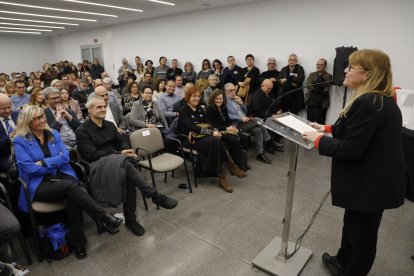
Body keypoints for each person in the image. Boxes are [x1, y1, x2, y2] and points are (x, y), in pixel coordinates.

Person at [302, 49, 407, 276]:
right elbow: (358, 131)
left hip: (370, 184)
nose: (346, 71)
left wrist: (319, 140)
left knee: (363, 236)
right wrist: (328, 128)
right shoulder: (379, 99)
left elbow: (351, 148)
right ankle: (342, 261)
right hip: (370, 180)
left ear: (368, 74)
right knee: (352, 224)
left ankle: (353, 271)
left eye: (351, 67)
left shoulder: (367, 102)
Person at [12, 105, 123, 260]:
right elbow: (29, 169)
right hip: (40, 183)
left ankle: (79, 244)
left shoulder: (54, 134)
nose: (42, 119)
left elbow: (66, 157)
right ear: (28, 121)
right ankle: (103, 216)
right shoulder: (20, 141)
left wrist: (43, 163)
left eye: (43, 116)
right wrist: (52, 163)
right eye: (37, 118)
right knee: (71, 188)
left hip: (62, 175)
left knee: (71, 197)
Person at [76, 96, 178, 236]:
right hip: (97, 165)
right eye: (99, 107)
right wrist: (119, 153)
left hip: (118, 161)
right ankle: (152, 195)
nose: (103, 109)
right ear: (89, 109)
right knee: (127, 164)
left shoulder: (110, 125)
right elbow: (91, 154)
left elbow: (121, 141)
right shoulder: (82, 131)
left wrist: (126, 149)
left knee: (127, 170)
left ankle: (132, 218)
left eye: (104, 106)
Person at [178, 86, 246, 193]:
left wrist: (215, 131)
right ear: (188, 97)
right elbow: (192, 127)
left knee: (217, 141)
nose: (196, 98)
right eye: (194, 96)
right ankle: (231, 167)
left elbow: (209, 124)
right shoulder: (183, 110)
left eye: (198, 96)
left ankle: (223, 177)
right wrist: (210, 132)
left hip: (203, 138)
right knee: (217, 141)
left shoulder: (199, 108)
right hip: (190, 140)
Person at [224, 83, 274, 164]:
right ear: (225, 92)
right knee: (258, 120)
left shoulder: (236, 98)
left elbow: (245, 112)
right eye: (230, 91)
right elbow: (227, 115)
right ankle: (269, 140)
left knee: (258, 130)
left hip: (245, 122)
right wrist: (240, 118)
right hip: (237, 125)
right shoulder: (224, 101)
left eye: (234, 90)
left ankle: (260, 154)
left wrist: (242, 104)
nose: (233, 92)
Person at [206, 90, 245, 170]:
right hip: (217, 131)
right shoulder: (210, 109)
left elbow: (227, 120)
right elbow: (213, 124)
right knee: (235, 140)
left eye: (221, 99)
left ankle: (240, 160)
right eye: (217, 99)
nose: (219, 100)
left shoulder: (223, 108)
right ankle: (236, 164)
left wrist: (232, 126)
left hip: (226, 129)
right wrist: (227, 128)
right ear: (213, 99)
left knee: (242, 136)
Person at [305, 58, 333, 124]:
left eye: (321, 64)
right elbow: (308, 85)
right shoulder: (312, 74)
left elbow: (326, 88)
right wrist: (319, 86)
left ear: (325, 66)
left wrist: (314, 84)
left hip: (322, 103)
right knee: (309, 122)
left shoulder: (328, 76)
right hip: (310, 101)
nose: (318, 66)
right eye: (317, 64)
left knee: (320, 123)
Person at [0, 94, 18, 174]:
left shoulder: (18, 115)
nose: (7, 110)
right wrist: (11, 136)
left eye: (9, 107)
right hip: (5, 155)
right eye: (3, 108)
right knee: (18, 168)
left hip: (25, 150)